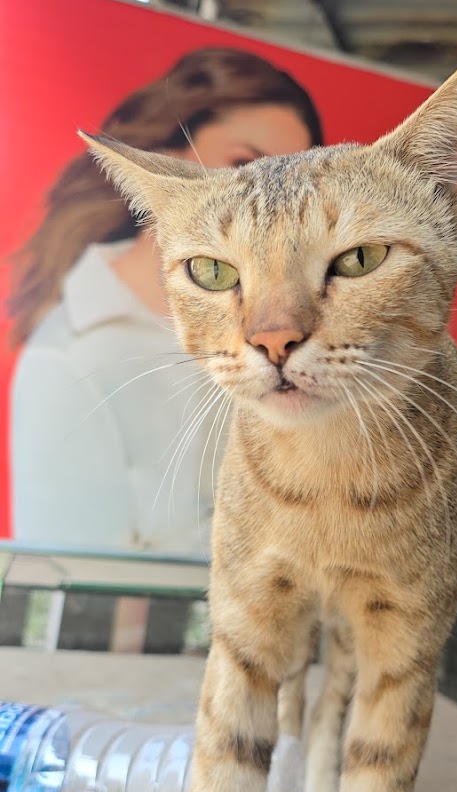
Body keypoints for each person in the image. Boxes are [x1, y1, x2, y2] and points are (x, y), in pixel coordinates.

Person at [8, 46, 323, 557]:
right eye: (243, 166)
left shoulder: (292, 335)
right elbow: (70, 579)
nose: (270, 203)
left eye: (293, 180)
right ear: (164, 160)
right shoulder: (68, 357)